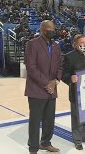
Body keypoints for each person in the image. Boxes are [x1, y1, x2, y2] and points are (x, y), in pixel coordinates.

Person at [24, 20, 62, 154]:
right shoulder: (32, 44)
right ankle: (33, 148)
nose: (52, 30)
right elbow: (31, 68)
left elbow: (59, 66)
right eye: (49, 28)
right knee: (35, 121)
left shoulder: (57, 46)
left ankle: (46, 143)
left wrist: (56, 81)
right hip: (36, 89)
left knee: (49, 120)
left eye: (53, 28)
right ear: (42, 30)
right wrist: (47, 84)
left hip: (52, 89)